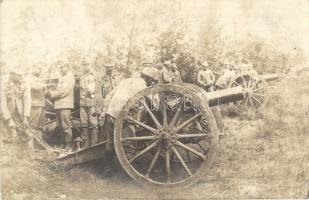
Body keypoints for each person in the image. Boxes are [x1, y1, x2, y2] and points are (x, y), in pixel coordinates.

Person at [1, 68, 32, 146]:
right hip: (5, 111)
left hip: (18, 111)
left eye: (21, 75)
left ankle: (22, 153)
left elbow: (27, 100)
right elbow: (2, 102)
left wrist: (26, 116)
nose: (20, 77)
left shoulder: (24, 83)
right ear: (12, 74)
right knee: (7, 135)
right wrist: (8, 119)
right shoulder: (3, 83)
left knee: (23, 134)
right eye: (18, 75)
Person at [49, 63, 75, 152]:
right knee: (59, 125)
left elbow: (64, 91)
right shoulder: (60, 77)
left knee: (66, 125)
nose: (61, 69)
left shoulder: (70, 77)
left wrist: (53, 95)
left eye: (63, 67)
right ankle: (62, 143)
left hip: (65, 104)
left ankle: (68, 144)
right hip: (58, 104)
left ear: (67, 67)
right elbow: (56, 88)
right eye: (60, 67)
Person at [79, 61, 97, 148]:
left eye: (87, 64)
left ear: (90, 65)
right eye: (84, 65)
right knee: (84, 124)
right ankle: (85, 145)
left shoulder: (93, 76)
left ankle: (93, 145)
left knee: (93, 124)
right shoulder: (81, 77)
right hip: (82, 103)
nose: (85, 67)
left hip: (91, 103)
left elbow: (93, 91)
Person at [29, 67, 46, 142]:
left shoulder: (39, 79)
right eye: (38, 68)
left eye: (40, 69)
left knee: (40, 125)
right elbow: (33, 87)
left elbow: (44, 90)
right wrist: (42, 86)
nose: (39, 71)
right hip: (35, 104)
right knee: (32, 124)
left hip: (42, 104)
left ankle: (39, 143)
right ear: (33, 69)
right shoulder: (29, 78)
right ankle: (30, 143)